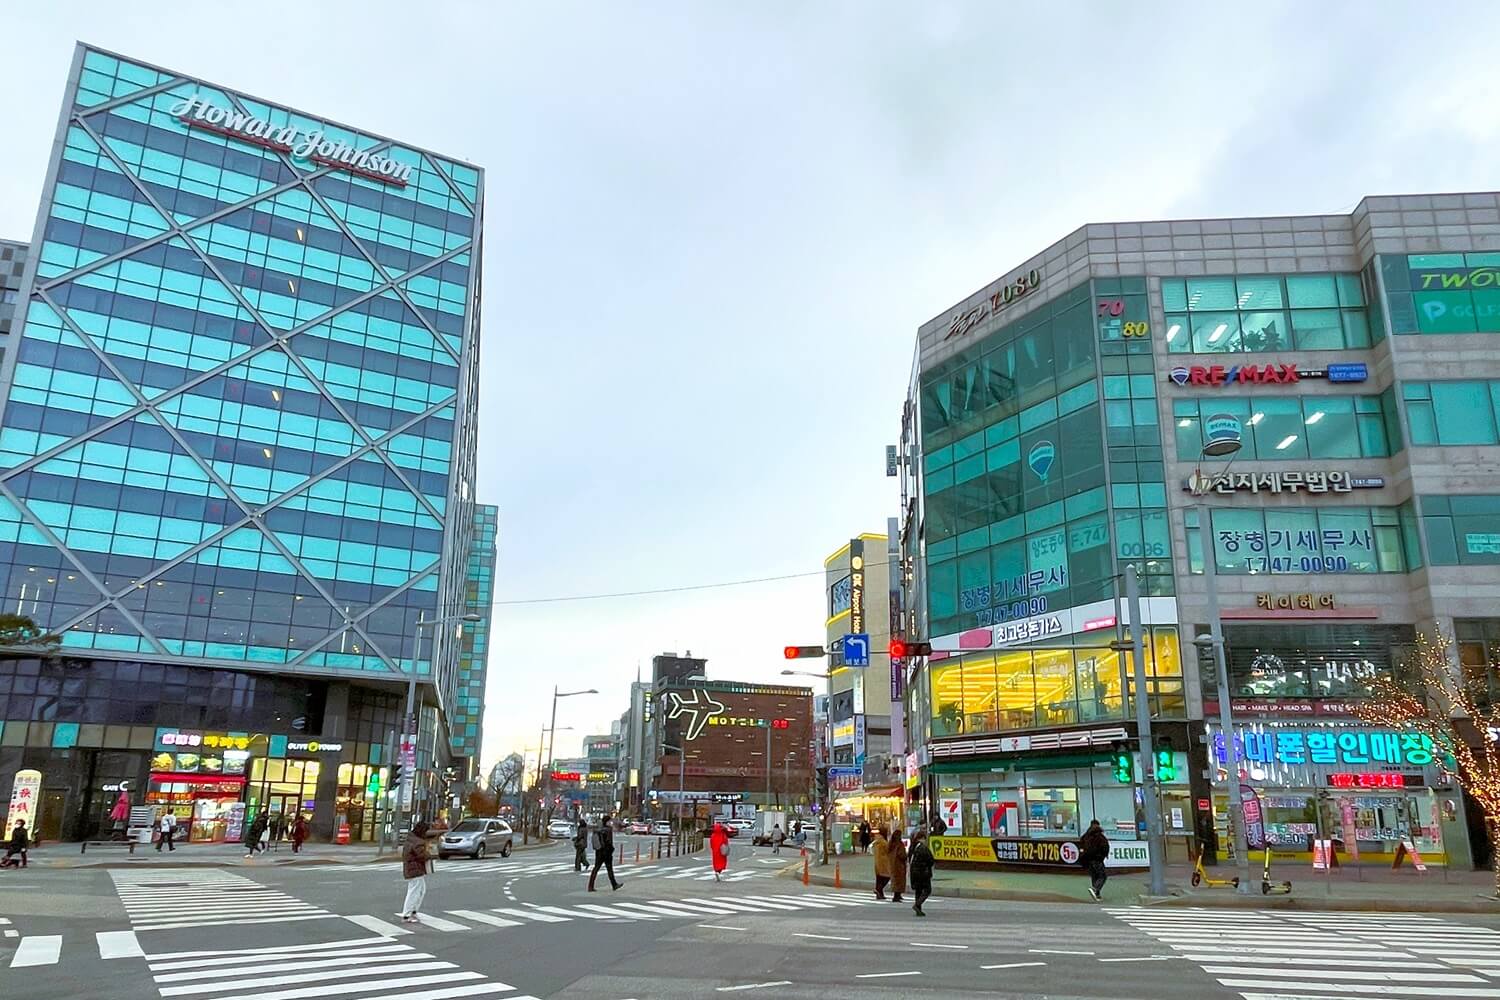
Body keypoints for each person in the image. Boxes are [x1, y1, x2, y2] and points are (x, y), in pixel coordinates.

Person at [401, 820, 434, 923]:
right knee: (415, 892)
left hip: (411, 868)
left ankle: (413, 911)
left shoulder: (411, 839)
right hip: (415, 869)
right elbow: (421, 855)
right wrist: (429, 854)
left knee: (420, 890)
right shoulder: (418, 842)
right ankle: (407, 914)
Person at [588, 811, 622, 892]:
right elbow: (609, 842)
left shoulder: (599, 830)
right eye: (610, 821)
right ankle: (614, 885)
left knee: (596, 868)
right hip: (607, 852)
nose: (611, 822)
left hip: (599, 851)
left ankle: (590, 886)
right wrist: (611, 849)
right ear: (607, 821)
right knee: (609, 869)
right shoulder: (608, 830)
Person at [1080, 819, 1112, 901]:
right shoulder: (1100, 836)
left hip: (1088, 860)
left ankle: (1097, 895)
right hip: (1097, 859)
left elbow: (1081, 844)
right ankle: (1095, 889)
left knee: (1094, 876)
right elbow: (1105, 846)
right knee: (1102, 876)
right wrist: (1104, 855)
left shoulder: (1086, 836)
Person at [909, 830, 934, 917]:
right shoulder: (923, 848)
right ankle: (917, 904)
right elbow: (930, 860)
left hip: (914, 872)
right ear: (922, 838)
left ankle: (918, 909)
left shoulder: (913, 847)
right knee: (927, 890)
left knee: (918, 890)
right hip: (923, 872)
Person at [889, 828, 908, 903]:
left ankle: (897, 895)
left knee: (895, 880)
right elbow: (902, 855)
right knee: (900, 880)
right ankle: (897, 896)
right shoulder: (899, 844)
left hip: (893, 864)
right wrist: (906, 856)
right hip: (899, 865)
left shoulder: (891, 844)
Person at [872, 825, 891, 900]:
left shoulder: (877, 841)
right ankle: (878, 889)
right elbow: (888, 850)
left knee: (879, 879)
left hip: (877, 862)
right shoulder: (883, 842)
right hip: (884, 862)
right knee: (887, 877)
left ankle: (880, 894)